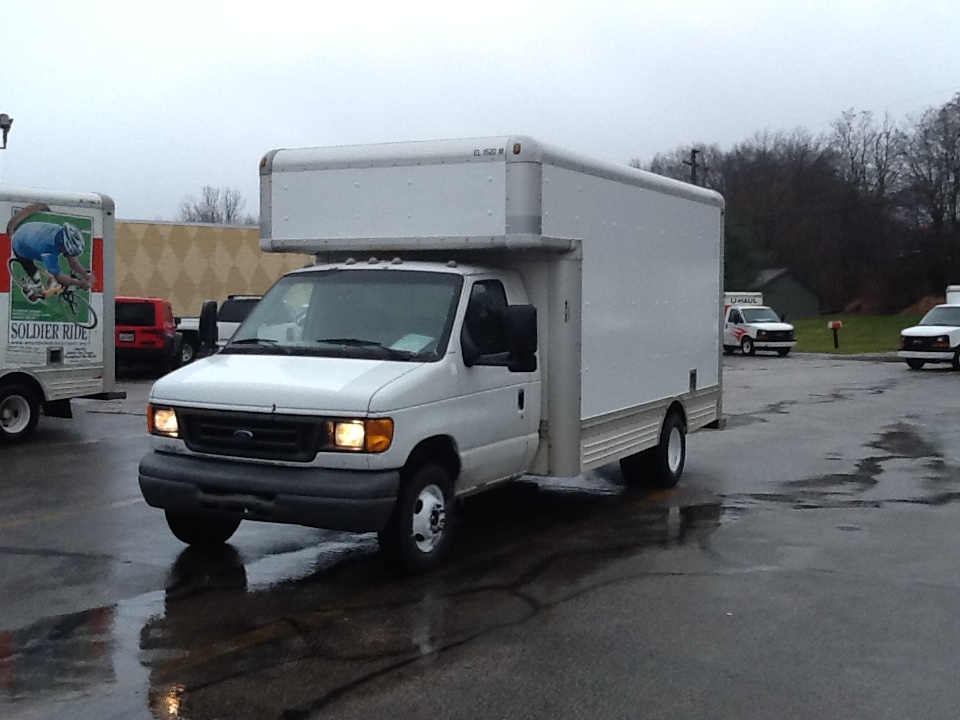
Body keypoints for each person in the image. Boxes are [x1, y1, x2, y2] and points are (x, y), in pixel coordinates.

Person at [7, 202, 95, 303]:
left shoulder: (60, 232)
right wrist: (79, 283)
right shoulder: (49, 251)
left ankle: (46, 279)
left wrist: (85, 274)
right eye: (68, 250)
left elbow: (73, 261)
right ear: (63, 244)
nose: (68, 253)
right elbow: (59, 277)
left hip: (29, 231)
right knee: (36, 276)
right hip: (20, 244)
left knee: (54, 269)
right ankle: (34, 286)